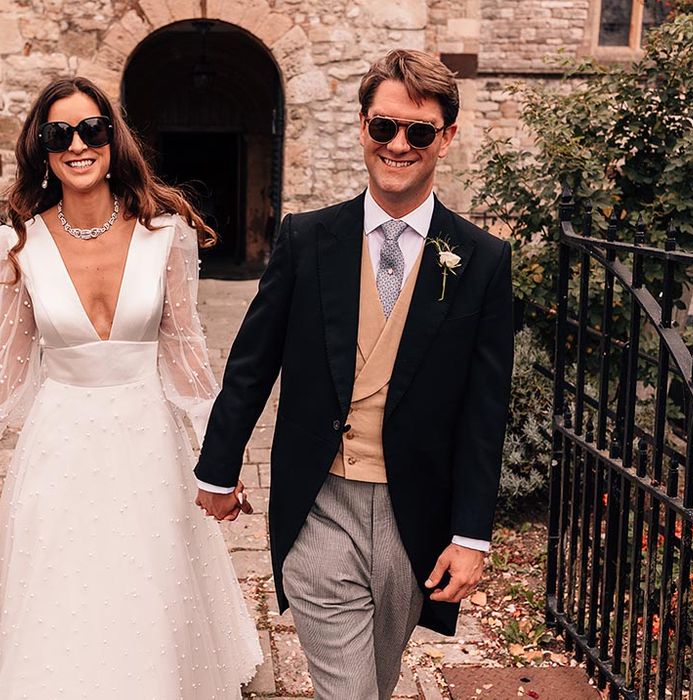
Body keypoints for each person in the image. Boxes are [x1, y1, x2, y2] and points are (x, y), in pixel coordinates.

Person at [196, 49, 514, 699]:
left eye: (418, 131)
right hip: (319, 504)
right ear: (362, 126)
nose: (399, 144)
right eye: (383, 127)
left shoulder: (480, 259)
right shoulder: (306, 239)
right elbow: (252, 361)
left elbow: (487, 408)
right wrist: (218, 468)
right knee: (351, 689)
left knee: (378, 675)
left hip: (414, 513)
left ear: (446, 139)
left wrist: (471, 533)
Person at [0, 77, 262, 698]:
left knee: (148, 580)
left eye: (92, 128)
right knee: (63, 582)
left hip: (147, 436)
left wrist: (217, 461)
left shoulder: (164, 234)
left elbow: (186, 354)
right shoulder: (18, 244)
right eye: (58, 133)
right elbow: (8, 367)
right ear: (41, 146)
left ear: (113, 138)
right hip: (59, 442)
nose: (77, 145)